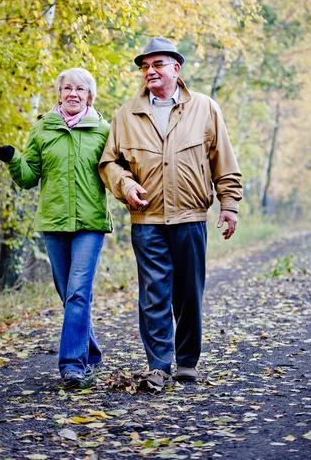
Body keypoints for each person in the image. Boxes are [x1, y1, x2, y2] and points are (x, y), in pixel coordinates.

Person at [99, 37, 242, 390]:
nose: (150, 71)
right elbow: (108, 163)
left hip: (191, 218)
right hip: (146, 221)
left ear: (176, 70)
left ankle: (187, 362)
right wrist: (126, 186)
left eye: (157, 64)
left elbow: (223, 160)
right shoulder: (126, 114)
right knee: (153, 294)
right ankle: (159, 366)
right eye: (145, 66)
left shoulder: (205, 108)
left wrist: (229, 204)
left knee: (188, 293)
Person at [0, 68, 112, 389]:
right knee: (67, 293)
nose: (73, 94)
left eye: (80, 89)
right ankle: (92, 352)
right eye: (67, 88)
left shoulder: (103, 130)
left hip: (90, 222)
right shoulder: (43, 129)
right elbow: (29, 177)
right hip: (54, 222)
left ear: (90, 95)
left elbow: (116, 171)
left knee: (78, 292)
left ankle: (73, 365)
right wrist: (13, 158)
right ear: (58, 93)